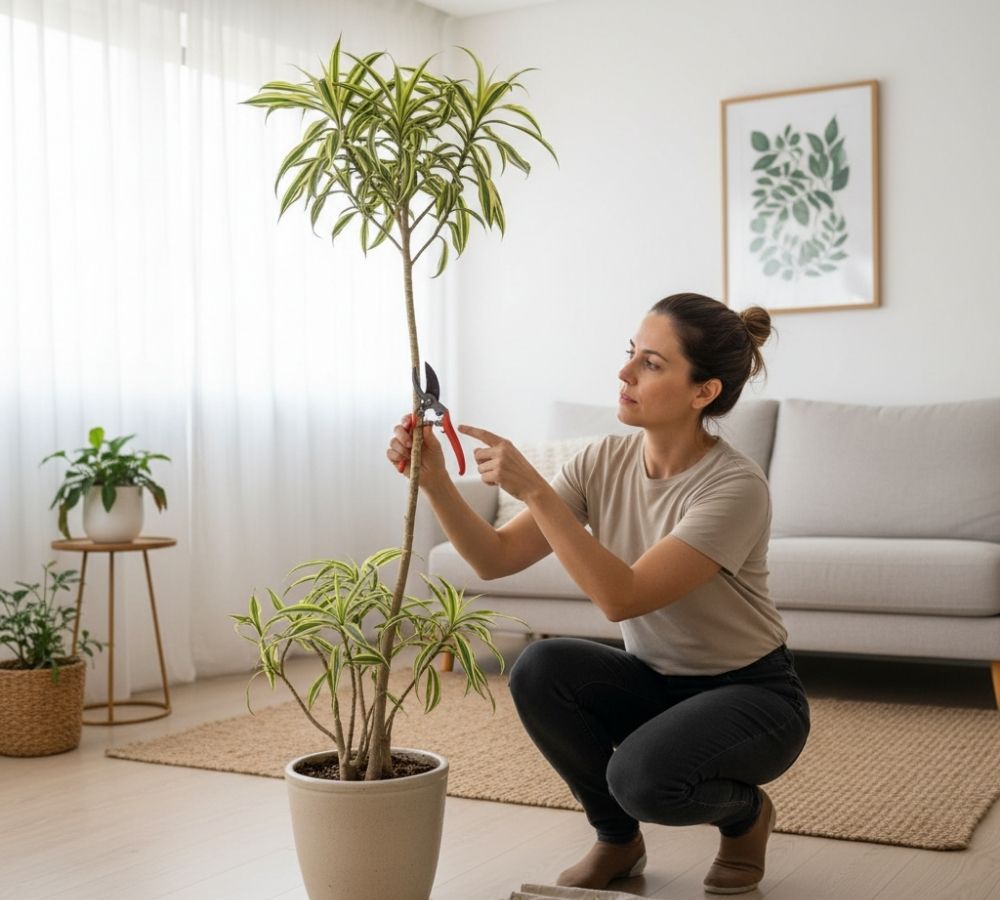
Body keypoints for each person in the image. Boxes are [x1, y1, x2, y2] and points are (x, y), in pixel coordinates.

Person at [386, 292, 811, 894]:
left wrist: (535, 491)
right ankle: (618, 841)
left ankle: (745, 817)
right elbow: (493, 558)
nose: (625, 373)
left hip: (752, 697)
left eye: (652, 364)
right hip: (655, 682)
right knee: (541, 666)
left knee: (640, 780)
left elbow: (623, 597)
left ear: (703, 392)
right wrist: (434, 481)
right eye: (630, 354)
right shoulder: (603, 460)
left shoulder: (735, 487)